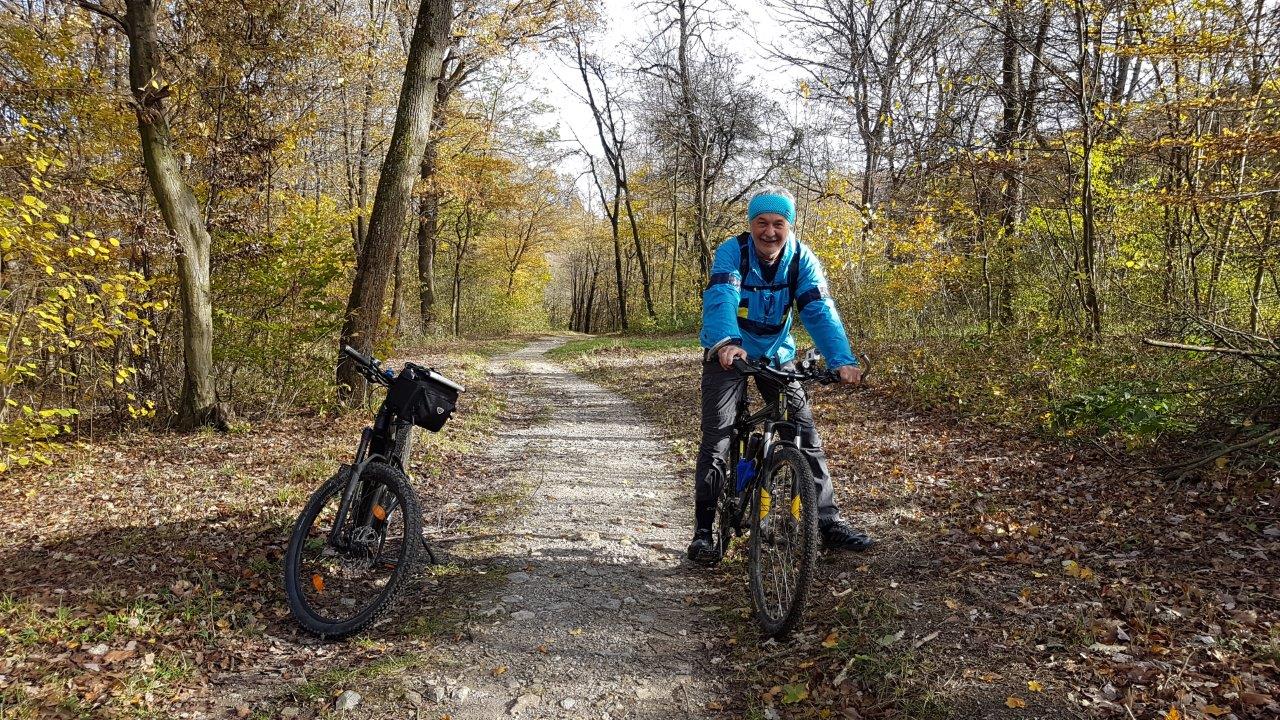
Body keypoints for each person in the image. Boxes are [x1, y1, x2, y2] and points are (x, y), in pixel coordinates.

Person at [688, 186, 873, 564]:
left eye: (778, 223)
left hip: (776, 353)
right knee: (719, 438)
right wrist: (726, 343)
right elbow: (722, 298)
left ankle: (826, 522)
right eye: (762, 222)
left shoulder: (801, 258)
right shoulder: (732, 252)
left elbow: (819, 308)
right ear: (751, 223)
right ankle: (704, 532)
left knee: (804, 433)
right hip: (728, 352)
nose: (769, 232)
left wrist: (841, 359)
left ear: (789, 226)